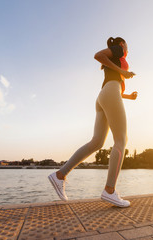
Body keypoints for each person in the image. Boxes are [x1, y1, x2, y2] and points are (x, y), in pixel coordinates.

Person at [48, 37, 137, 207]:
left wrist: (128, 96)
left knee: (96, 142)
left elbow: (113, 87)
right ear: (121, 44)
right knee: (121, 140)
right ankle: (109, 191)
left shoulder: (116, 60)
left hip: (104, 95)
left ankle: (60, 175)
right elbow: (97, 55)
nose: (127, 47)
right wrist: (124, 72)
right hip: (109, 92)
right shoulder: (117, 50)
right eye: (126, 44)